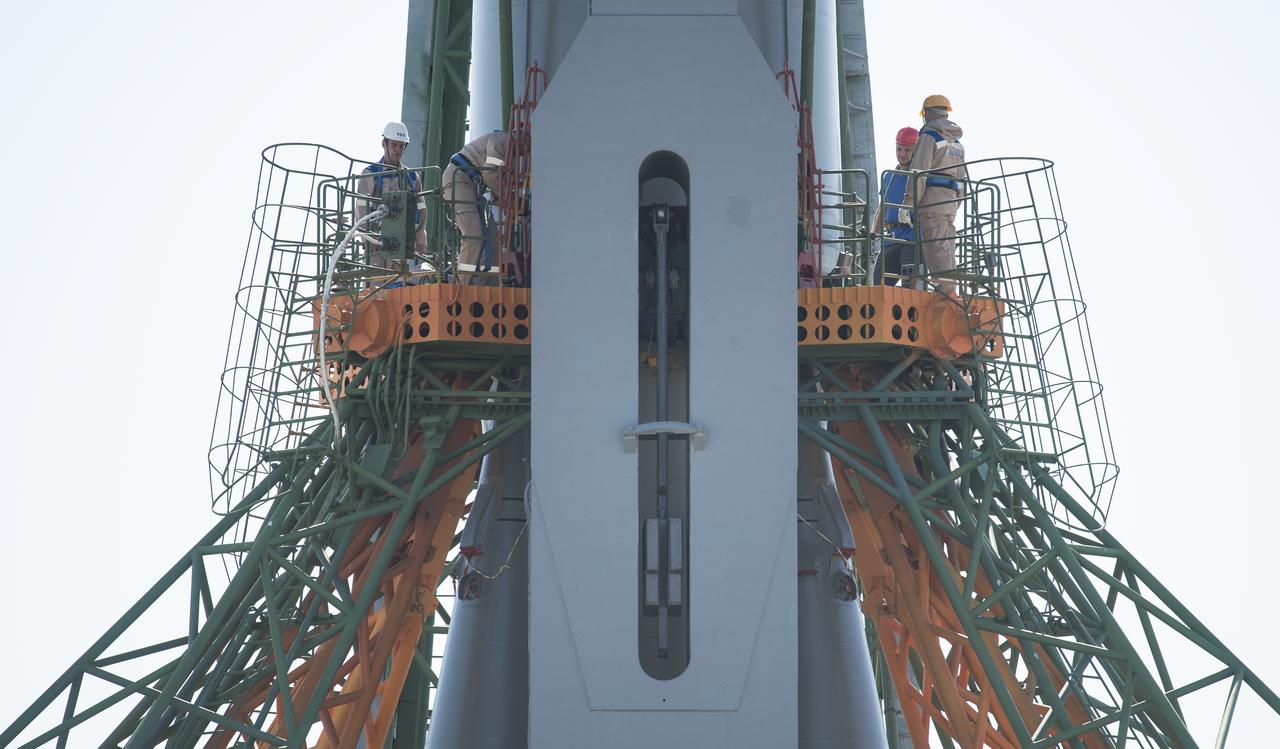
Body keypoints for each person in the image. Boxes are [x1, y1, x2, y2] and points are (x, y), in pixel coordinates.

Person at [442, 129, 523, 285]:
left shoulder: (512, 155)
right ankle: (461, 286)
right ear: (521, 136)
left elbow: (496, 188)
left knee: (494, 239)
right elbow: (491, 176)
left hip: (474, 188)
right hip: (458, 180)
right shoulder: (501, 141)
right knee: (474, 234)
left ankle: (487, 287)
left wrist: (508, 203)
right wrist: (512, 199)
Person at [903, 94, 966, 294]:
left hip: (932, 201)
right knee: (947, 245)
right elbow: (962, 181)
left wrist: (907, 204)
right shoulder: (957, 144)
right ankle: (950, 287)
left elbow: (918, 174)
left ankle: (945, 291)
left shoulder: (929, 136)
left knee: (935, 247)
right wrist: (955, 204)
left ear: (928, 114)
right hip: (950, 201)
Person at [357, 121, 428, 270]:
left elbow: (421, 211)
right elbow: (362, 209)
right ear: (384, 143)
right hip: (378, 245)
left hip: (404, 245)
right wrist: (369, 238)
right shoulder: (370, 174)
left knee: (401, 286)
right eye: (394, 145)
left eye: (401, 146)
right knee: (376, 289)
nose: (398, 150)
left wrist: (421, 242)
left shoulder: (412, 177)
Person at [869, 126, 920, 285]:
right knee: (879, 285)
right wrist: (873, 232)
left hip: (911, 239)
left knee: (909, 287)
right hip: (891, 238)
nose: (902, 154)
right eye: (899, 149)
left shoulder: (919, 177)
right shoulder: (889, 176)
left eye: (907, 150)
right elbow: (883, 207)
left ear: (915, 151)